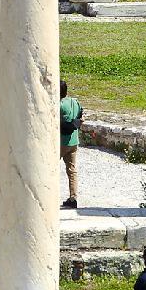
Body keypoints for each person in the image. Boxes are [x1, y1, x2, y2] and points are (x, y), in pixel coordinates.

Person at [59, 79, 82, 209]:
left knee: (50, 168)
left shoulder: (59, 104)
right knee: (72, 170)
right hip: (74, 141)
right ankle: (73, 198)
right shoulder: (75, 102)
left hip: (61, 142)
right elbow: (80, 116)